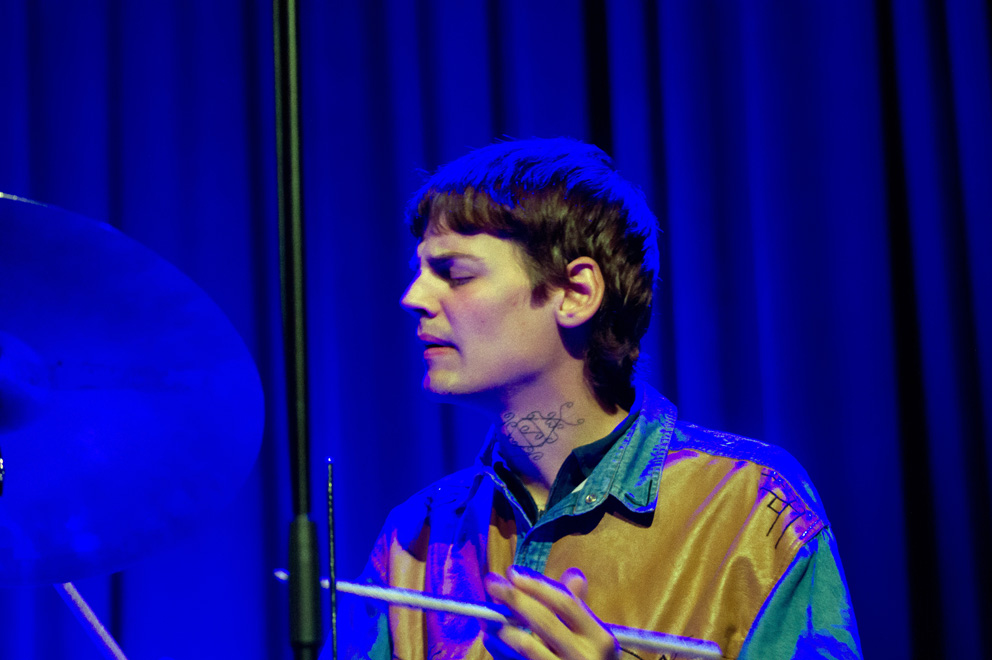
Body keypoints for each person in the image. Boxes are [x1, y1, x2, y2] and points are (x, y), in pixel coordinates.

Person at [338, 138, 861, 659]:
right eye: (419, 272)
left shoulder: (750, 504)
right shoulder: (415, 538)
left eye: (455, 274)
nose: (413, 298)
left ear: (576, 293)